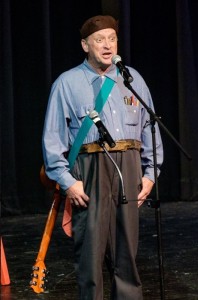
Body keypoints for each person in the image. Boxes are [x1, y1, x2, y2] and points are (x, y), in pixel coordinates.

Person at [42, 15, 163, 300]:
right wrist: (67, 181)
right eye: (99, 40)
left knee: (126, 250)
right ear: (86, 45)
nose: (107, 45)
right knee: (91, 252)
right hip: (90, 168)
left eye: (112, 39)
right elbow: (52, 137)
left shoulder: (132, 79)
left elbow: (149, 126)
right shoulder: (67, 83)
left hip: (129, 167)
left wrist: (150, 173)